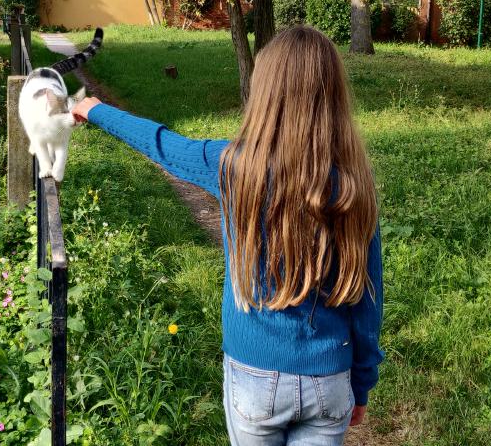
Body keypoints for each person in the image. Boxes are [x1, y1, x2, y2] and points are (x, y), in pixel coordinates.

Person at [71, 26, 383, 446]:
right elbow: (368, 298)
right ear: (334, 98)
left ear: (265, 92)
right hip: (329, 378)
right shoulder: (352, 185)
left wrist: (94, 110)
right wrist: (361, 384)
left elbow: (161, 143)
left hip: (254, 377)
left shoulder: (232, 167)